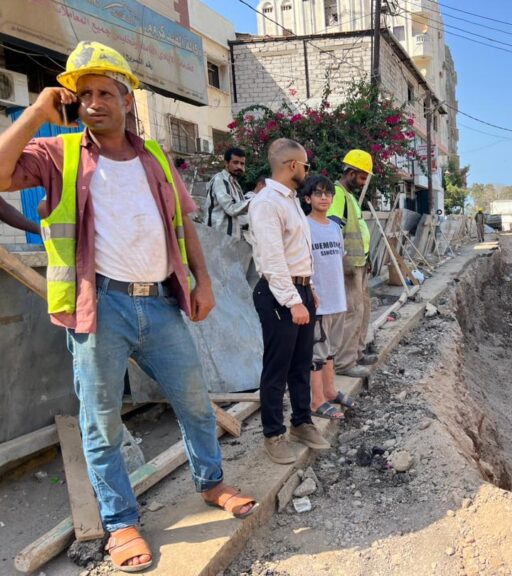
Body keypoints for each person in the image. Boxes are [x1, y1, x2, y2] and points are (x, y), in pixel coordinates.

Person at [0, 41, 254, 573]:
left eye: (104, 92)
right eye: (83, 94)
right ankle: (120, 523)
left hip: (160, 304)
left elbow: (184, 224)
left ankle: (212, 484)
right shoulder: (59, 154)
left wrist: (204, 282)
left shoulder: (155, 156)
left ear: (126, 99)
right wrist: (38, 110)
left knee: (195, 404)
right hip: (99, 308)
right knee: (101, 424)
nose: (93, 103)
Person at [249, 138, 330, 464]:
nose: (307, 171)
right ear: (293, 165)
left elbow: (298, 253)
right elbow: (272, 259)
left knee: (300, 364)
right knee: (277, 369)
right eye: (306, 165)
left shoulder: (291, 201)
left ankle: (301, 422)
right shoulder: (267, 203)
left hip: (300, 291)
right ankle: (273, 434)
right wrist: (292, 300)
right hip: (278, 294)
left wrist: (309, 290)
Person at [301, 175, 357, 420]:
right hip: (319, 302)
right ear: (308, 198)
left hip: (337, 299)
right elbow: (302, 263)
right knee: (317, 353)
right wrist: (311, 291)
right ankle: (316, 401)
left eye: (327, 193)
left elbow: (338, 260)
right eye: (318, 193)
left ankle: (330, 390)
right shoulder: (304, 226)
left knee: (331, 350)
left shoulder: (335, 227)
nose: (324, 198)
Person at [328, 150, 379, 379]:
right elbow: (333, 230)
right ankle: (344, 362)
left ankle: (357, 353)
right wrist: (342, 262)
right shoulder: (338, 195)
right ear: (351, 173)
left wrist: (367, 258)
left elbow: (357, 231)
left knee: (363, 309)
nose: (363, 182)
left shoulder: (350, 197)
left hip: (359, 264)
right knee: (352, 312)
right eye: (362, 177)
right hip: (348, 266)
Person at [203, 147, 249, 238]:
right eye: (235, 162)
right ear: (226, 163)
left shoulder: (234, 183)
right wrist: (254, 203)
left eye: (242, 163)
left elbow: (240, 209)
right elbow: (230, 208)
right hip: (217, 237)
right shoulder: (220, 180)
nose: (239, 167)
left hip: (229, 238)